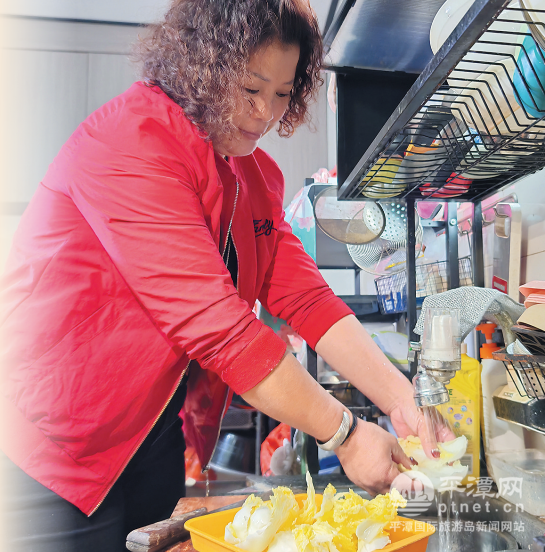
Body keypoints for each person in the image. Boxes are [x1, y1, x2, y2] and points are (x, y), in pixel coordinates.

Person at [0, 1, 451, 550]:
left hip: (149, 436)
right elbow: (222, 332)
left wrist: (404, 402)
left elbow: (307, 299)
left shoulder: (251, 175)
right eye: (250, 88)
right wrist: (347, 436)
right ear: (202, 65)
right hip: (49, 443)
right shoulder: (131, 141)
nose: (264, 112)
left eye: (281, 93)